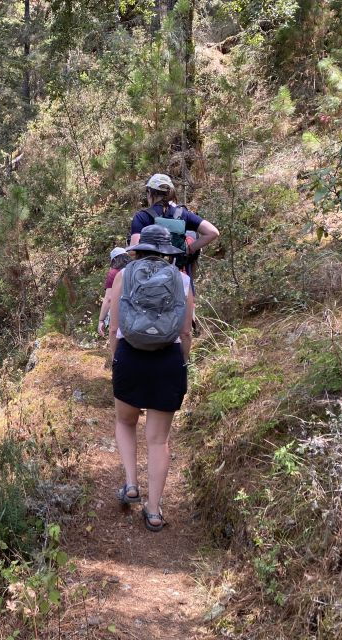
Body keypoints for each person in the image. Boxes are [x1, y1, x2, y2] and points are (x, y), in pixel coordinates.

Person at [109, 224, 195, 532]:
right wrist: (181, 363)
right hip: (167, 360)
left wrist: (114, 359)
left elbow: (114, 327)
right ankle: (154, 510)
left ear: (139, 249)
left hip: (130, 357)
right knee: (159, 440)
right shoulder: (182, 280)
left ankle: (131, 485)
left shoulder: (123, 275)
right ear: (167, 252)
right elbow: (185, 331)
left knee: (125, 421)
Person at [129, 173, 219, 287]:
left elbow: (133, 252)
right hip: (177, 276)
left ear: (150, 192)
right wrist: (190, 248)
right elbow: (213, 232)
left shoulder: (142, 216)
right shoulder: (183, 214)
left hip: (148, 279)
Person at [97, 247, 133, 338]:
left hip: (119, 312)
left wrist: (101, 320)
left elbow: (109, 299)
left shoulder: (113, 273)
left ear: (114, 260)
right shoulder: (135, 270)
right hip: (137, 313)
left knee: (115, 334)